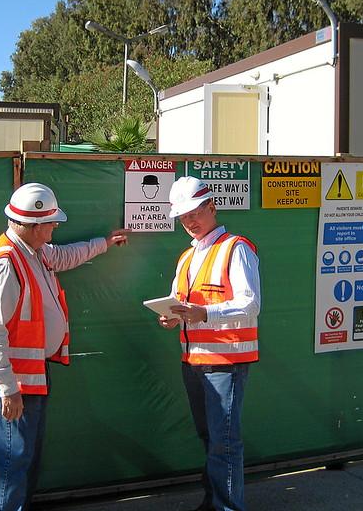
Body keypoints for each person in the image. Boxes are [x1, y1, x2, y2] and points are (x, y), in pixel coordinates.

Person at [0, 182, 129, 511]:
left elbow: (67, 256)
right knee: (12, 464)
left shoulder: (34, 251)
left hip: (29, 376)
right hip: (15, 383)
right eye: (52, 222)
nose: (56, 226)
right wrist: (8, 388)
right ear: (33, 225)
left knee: (23, 459)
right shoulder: (6, 265)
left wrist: (104, 244)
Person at [158, 176, 260, 511]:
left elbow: (250, 304)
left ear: (212, 207)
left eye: (194, 213)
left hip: (225, 363)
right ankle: (215, 502)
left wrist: (202, 313)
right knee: (212, 441)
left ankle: (227, 506)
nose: (189, 221)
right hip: (194, 362)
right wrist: (172, 316)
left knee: (224, 444)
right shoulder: (186, 257)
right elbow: (179, 301)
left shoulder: (236, 248)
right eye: (183, 217)